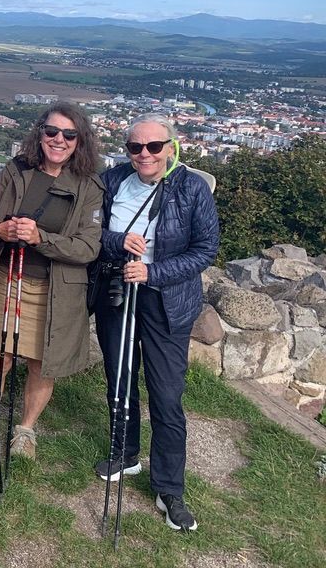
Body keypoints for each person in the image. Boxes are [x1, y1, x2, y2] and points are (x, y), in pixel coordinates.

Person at [91, 113, 219, 532]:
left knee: (166, 395)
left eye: (153, 146)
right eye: (135, 147)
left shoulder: (192, 187)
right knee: (120, 379)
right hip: (117, 293)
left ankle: (169, 489)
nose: (144, 154)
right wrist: (116, 242)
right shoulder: (113, 182)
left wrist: (152, 273)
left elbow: (205, 249)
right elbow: (92, 233)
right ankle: (126, 453)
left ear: (171, 147)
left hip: (167, 302)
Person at [0, 101, 103, 462]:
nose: (59, 140)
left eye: (69, 134)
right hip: (7, 278)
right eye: (52, 131)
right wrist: (0, 229)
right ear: (40, 133)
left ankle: (25, 431)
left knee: (44, 363)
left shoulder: (89, 186)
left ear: (80, 140)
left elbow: (89, 247)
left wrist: (41, 238)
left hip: (56, 290)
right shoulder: (15, 170)